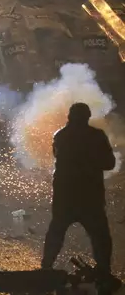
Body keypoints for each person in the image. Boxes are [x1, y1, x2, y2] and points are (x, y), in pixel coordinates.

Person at [41, 102, 115, 278]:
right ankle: (104, 272)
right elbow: (109, 163)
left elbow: (58, 157)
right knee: (100, 237)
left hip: (65, 196)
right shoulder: (96, 136)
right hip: (90, 197)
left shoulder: (60, 135)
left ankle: (46, 268)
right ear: (87, 117)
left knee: (56, 232)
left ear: (69, 117)